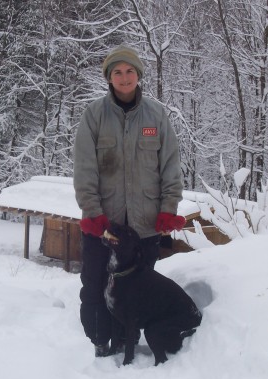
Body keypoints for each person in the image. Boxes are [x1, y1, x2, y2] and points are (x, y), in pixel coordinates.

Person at [73, 44, 186, 357]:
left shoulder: (156, 115)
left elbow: (170, 167)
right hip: (104, 229)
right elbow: (84, 169)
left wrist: (168, 209)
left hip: (144, 228)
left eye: (130, 71)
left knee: (136, 289)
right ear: (110, 78)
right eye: (117, 72)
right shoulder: (94, 115)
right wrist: (93, 213)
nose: (124, 77)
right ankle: (100, 340)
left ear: (138, 75)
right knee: (95, 286)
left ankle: (127, 340)